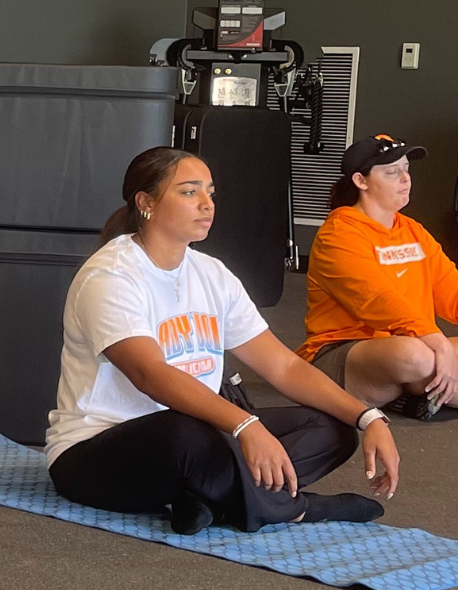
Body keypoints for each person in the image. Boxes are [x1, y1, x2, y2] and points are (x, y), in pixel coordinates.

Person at [45, 146, 401, 533]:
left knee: (331, 428)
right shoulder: (110, 276)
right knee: (188, 434)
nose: (207, 204)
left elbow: (283, 366)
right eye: (189, 192)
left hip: (199, 437)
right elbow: (150, 375)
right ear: (146, 203)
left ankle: (206, 500)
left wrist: (368, 417)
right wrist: (244, 425)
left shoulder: (212, 273)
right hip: (95, 454)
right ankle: (296, 508)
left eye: (210, 192)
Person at [299, 135, 458, 420]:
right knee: (414, 356)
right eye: (392, 172)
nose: (405, 179)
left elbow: (450, 288)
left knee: (423, 354)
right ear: (361, 181)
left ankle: (411, 394)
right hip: (344, 351)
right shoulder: (338, 234)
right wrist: (438, 342)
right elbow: (377, 299)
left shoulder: (412, 230)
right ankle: (420, 390)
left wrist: (437, 343)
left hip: (417, 340)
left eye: (406, 169)